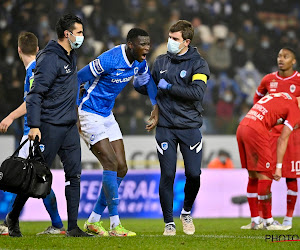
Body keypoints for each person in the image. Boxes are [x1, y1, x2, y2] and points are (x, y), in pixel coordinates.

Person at [5, 13, 92, 237]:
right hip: (49, 127)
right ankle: (12, 218)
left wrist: (76, 120)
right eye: (79, 32)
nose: (82, 36)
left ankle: (72, 227)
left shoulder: (70, 55)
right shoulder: (49, 58)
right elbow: (34, 96)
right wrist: (34, 126)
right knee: (34, 176)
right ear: (67, 34)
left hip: (69, 128)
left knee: (75, 175)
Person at [77, 28, 158, 237]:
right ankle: (115, 225)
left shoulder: (140, 62)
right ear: (131, 44)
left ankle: (94, 220)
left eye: (148, 43)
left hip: (106, 115)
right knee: (110, 164)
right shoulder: (109, 59)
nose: (147, 48)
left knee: (121, 168)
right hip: (88, 113)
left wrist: (155, 105)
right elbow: (78, 78)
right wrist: (75, 110)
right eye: (143, 44)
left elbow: (146, 81)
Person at [144, 20, 210, 236]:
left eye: (175, 39)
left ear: (186, 42)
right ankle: (169, 223)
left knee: (193, 174)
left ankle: (187, 212)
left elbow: (197, 93)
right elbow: (150, 88)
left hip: (189, 126)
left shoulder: (199, 64)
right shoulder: (160, 61)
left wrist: (170, 87)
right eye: (169, 37)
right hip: (165, 127)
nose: (169, 42)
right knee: (167, 174)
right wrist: (140, 84)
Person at [0, 32, 65, 236]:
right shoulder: (41, 68)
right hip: (45, 129)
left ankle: (8, 219)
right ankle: (55, 224)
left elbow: (31, 102)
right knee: (36, 176)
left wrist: (10, 117)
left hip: (33, 132)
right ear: (37, 49)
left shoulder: (33, 71)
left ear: (19, 50)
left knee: (19, 177)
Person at [241, 47, 300, 230]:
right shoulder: (268, 79)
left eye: (286, 56)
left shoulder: (298, 81)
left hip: (291, 135)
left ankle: (288, 219)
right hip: (267, 135)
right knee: (256, 174)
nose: (281, 59)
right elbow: (257, 101)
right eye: (279, 56)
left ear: (294, 61)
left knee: (291, 176)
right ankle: (256, 219)